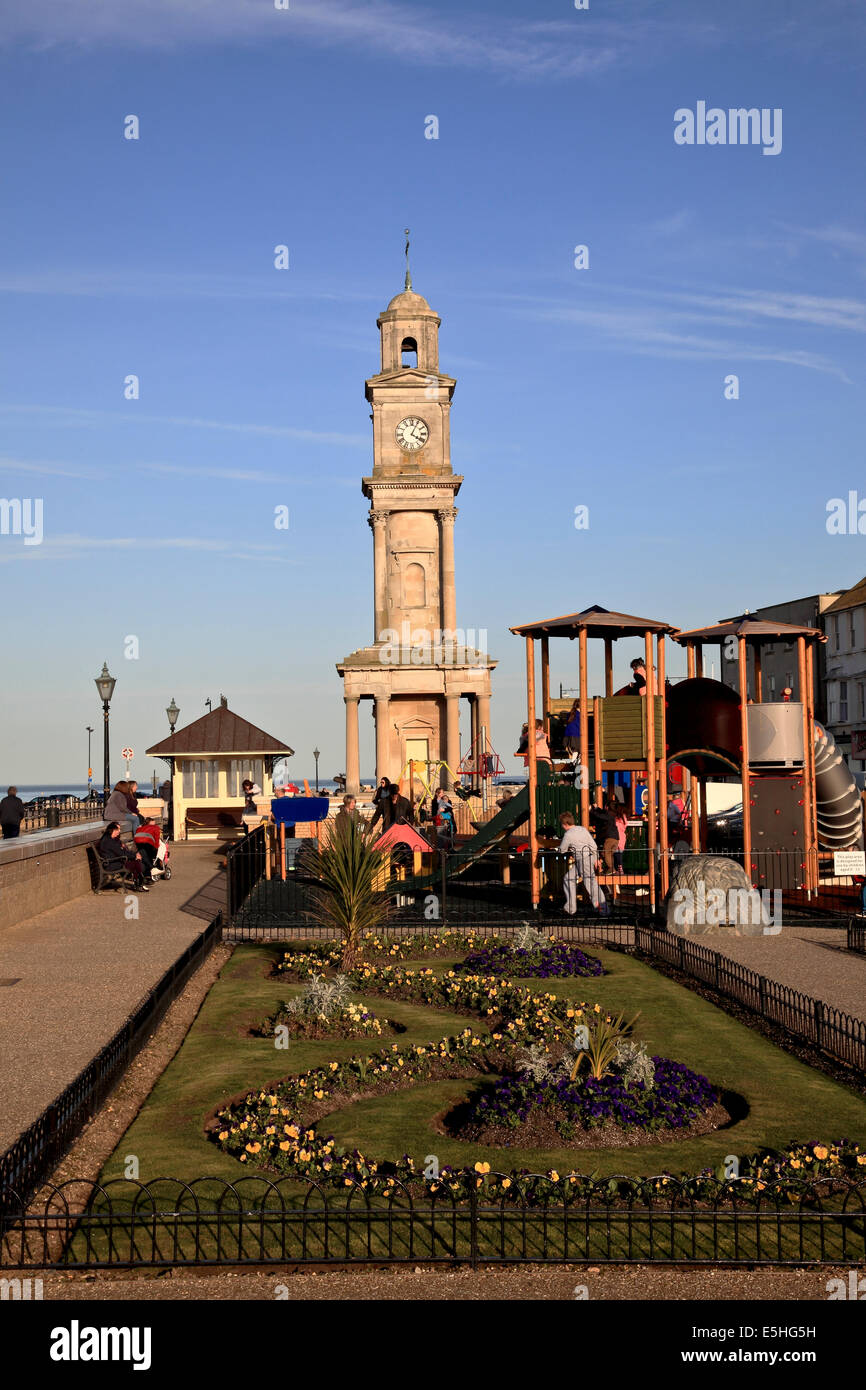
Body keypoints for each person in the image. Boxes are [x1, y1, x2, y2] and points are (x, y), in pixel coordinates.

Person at [558, 811, 608, 916]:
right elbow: (593, 846)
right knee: (568, 878)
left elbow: (562, 850)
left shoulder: (568, 834)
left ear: (564, 824)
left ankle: (603, 909)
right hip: (588, 858)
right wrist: (596, 859)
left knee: (590, 884)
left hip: (582, 860)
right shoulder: (583, 829)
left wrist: (562, 848)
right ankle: (570, 908)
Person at [97, 821, 148, 890]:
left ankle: (139, 883)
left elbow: (122, 851)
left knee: (136, 862)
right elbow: (121, 853)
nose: (119, 831)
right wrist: (135, 856)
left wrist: (134, 855)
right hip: (111, 864)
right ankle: (139, 883)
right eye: (118, 829)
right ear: (113, 830)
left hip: (115, 861)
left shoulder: (110, 839)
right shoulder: (109, 841)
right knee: (137, 863)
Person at [590, 798, 620, 874]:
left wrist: (592, 810)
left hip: (610, 838)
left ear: (607, 807)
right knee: (608, 854)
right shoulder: (612, 814)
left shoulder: (609, 815)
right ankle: (610, 868)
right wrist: (596, 808)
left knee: (606, 853)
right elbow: (602, 813)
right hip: (615, 838)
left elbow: (600, 816)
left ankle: (611, 868)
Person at [613, 801, 628, 874]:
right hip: (622, 836)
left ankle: (619, 867)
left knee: (616, 853)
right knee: (619, 853)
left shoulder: (616, 818)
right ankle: (619, 867)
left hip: (617, 836)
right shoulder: (624, 817)